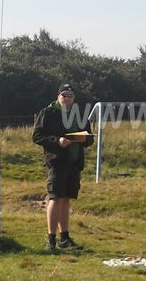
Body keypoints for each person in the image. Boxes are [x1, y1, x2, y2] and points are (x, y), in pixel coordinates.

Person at [32, 83, 93, 251]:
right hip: (57, 161)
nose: (67, 98)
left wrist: (85, 139)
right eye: (64, 95)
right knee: (55, 198)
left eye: (70, 96)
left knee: (66, 199)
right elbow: (37, 136)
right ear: (58, 96)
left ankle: (64, 237)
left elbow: (90, 138)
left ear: (74, 98)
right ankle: (51, 239)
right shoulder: (48, 112)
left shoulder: (79, 114)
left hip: (74, 162)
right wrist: (57, 141)